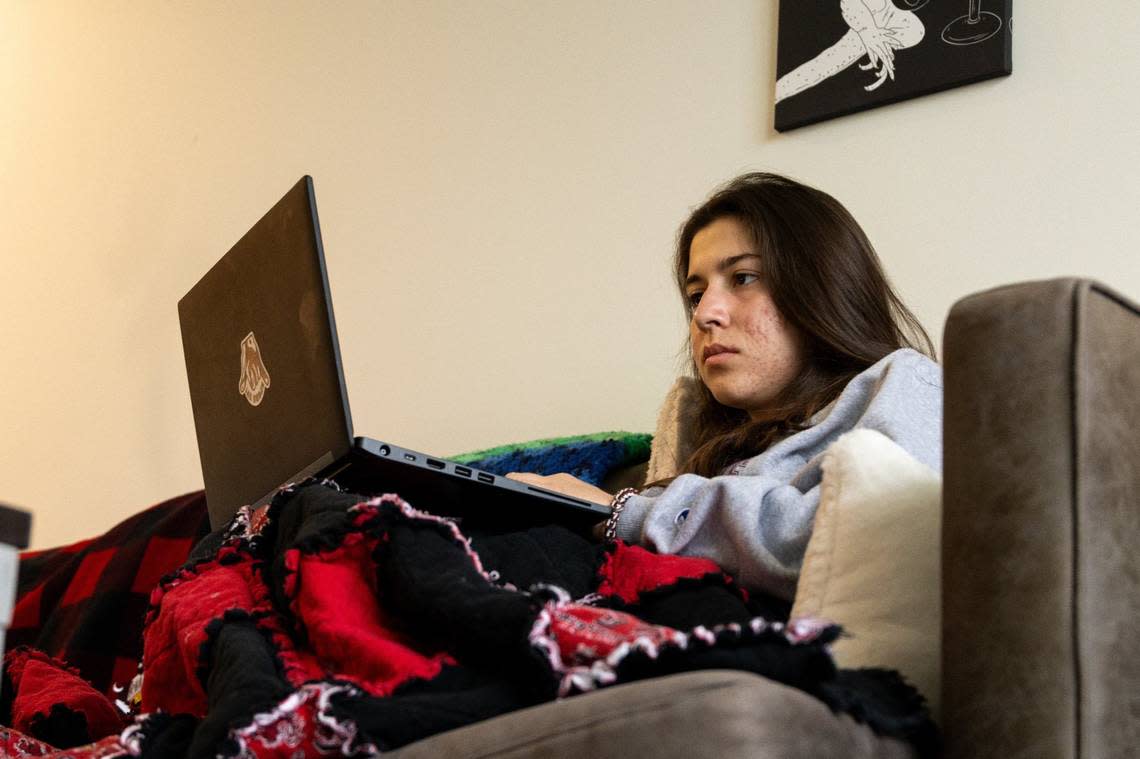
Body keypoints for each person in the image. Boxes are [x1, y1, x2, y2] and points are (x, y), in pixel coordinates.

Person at [508, 172, 941, 601]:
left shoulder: (903, 383)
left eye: (743, 278)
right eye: (696, 295)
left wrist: (622, 512)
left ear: (823, 287)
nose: (704, 314)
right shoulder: (700, 448)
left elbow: (868, 545)